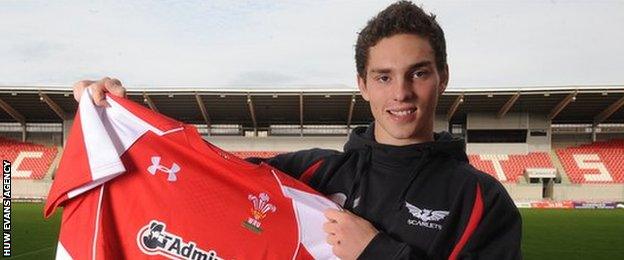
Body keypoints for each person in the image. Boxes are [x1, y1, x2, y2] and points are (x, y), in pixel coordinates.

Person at [73, 1, 522, 259]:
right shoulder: (311, 173)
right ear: (362, 85)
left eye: (418, 73)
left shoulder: (481, 201)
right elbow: (201, 178)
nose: (401, 92)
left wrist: (376, 253)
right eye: (384, 77)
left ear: (443, 76)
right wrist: (111, 119)